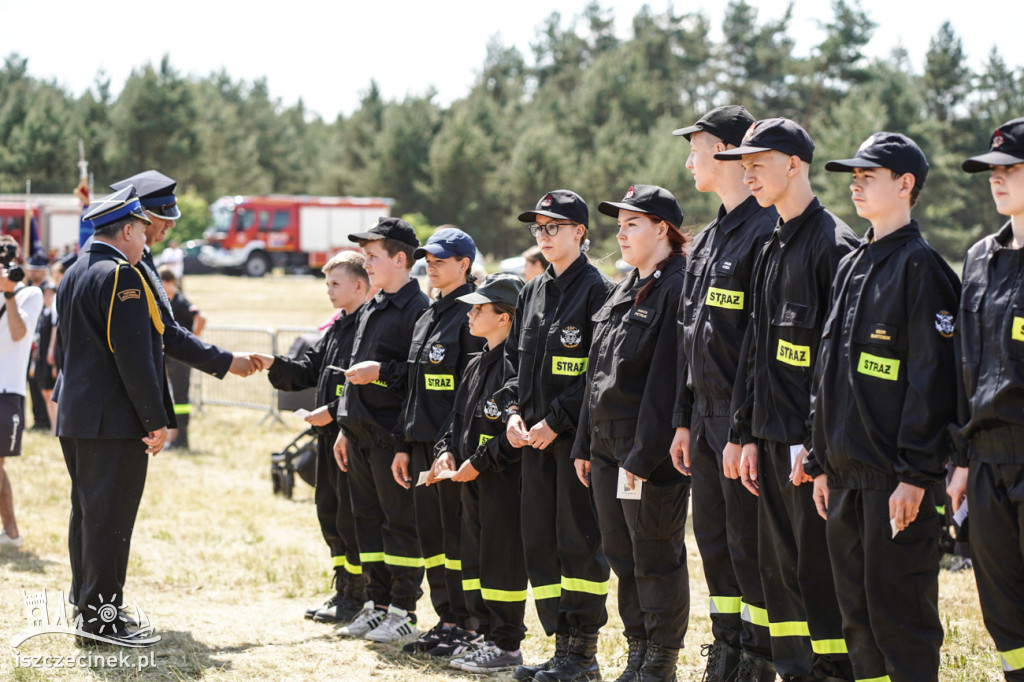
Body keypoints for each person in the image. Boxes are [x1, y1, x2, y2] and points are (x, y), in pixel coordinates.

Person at [811, 132, 959, 681]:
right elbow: (828, 372)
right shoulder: (854, 264)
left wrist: (917, 474)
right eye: (853, 176)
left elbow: (933, 383)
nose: (855, 184)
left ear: (905, 184)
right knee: (859, 622)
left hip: (895, 483)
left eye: (867, 175)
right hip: (846, 478)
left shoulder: (923, 270)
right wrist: (821, 461)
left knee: (900, 619)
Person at [714, 118, 859, 682]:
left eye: (758, 163)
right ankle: (797, 671)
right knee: (780, 571)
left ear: (794, 164)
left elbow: (836, 365)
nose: (747, 173)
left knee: (819, 570)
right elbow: (755, 348)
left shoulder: (835, 246)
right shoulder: (770, 244)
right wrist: (744, 432)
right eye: (742, 164)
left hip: (811, 448)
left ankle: (832, 673)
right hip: (770, 441)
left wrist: (815, 448)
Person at [669, 106, 777, 682]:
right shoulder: (709, 238)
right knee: (712, 542)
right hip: (704, 419)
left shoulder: (766, 231)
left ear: (732, 151)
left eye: (699, 145)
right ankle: (728, 650)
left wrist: (747, 429)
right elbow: (693, 338)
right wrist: (684, 419)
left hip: (744, 424)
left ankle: (759, 660)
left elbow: (759, 345)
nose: (690, 158)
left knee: (749, 546)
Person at [572, 184, 690, 682]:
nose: (619, 233)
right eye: (618, 224)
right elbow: (594, 374)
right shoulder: (625, 286)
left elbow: (668, 381)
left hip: (647, 451)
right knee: (622, 555)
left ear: (662, 228)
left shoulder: (677, 286)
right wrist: (584, 443)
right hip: (605, 447)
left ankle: (660, 660)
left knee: (655, 555)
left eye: (632, 224)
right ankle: (638, 652)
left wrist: (641, 458)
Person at [497, 190, 613, 682]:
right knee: (540, 542)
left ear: (580, 233)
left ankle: (583, 654)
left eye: (554, 227)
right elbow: (511, 366)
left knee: (578, 544)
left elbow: (596, 374)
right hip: (532, 444)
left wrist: (556, 421)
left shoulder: (599, 291)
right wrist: (513, 412)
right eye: (538, 229)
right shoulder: (532, 291)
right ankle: (561, 646)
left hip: (574, 445)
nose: (544, 236)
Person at [54, 187, 173, 641]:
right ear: (126, 229)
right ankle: (101, 620)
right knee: (110, 520)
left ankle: (85, 602)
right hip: (112, 421)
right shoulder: (121, 275)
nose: (146, 240)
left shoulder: (74, 271)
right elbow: (132, 356)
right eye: (143, 230)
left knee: (87, 514)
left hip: (78, 415)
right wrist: (155, 418)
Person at [252, 251, 371, 624]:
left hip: (354, 437)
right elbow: (309, 370)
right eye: (326, 283)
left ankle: (360, 595)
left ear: (359, 284)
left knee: (353, 518)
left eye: (336, 284)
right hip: (326, 437)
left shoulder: (368, 326)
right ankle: (342, 589)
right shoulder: (338, 325)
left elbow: (371, 388)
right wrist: (273, 362)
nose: (329, 291)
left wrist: (334, 412)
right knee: (330, 513)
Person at [948, 117, 1024, 681]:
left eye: (1010, 169)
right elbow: (963, 369)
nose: (996, 180)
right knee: (1003, 610)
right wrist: (960, 459)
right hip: (988, 458)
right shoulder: (979, 259)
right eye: (991, 171)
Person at [333, 217, 430, 643]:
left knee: (399, 523)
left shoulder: (418, 310)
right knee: (366, 522)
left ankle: (403, 609)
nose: (366, 264)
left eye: (373, 257)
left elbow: (419, 376)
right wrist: (343, 425)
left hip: (392, 439)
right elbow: (354, 373)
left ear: (400, 259)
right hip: (358, 435)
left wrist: (381, 374)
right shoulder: (372, 304)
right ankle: (375, 603)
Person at [392, 227, 485, 657]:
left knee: (456, 539)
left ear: (464, 264)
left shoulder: (472, 314)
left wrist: (451, 446)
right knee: (431, 538)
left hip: (452, 448)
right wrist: (403, 445)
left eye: (441, 259)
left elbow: (471, 391)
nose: (430, 264)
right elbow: (414, 389)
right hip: (420, 445)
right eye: (427, 258)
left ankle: (468, 624)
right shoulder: (428, 315)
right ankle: (446, 618)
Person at [429, 273, 528, 674]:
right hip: (468, 478)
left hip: (501, 482)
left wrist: (479, 463)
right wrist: (445, 453)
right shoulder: (476, 362)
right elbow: (456, 422)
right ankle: (485, 635)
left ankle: (506, 645)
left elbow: (512, 435)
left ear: (504, 317)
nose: (469, 315)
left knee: (501, 560)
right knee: (475, 559)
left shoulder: (517, 366)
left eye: (478, 308)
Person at [107, 170, 257, 380]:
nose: (172, 223)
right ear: (142, 216)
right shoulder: (126, 264)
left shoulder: (144, 256)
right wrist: (226, 361)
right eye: (163, 215)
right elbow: (165, 332)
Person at [0, 235, 43, 548]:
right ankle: (11, 534)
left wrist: (9, 295)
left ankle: (12, 533)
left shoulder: (30, 293)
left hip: (7, 389)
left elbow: (18, 334)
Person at [158, 267, 205, 450]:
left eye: (162, 284)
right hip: (170, 355)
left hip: (181, 357)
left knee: (181, 398)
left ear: (170, 283)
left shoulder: (180, 300)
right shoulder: (167, 301)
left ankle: (182, 438)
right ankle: (174, 437)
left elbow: (200, 317)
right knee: (173, 396)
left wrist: (193, 339)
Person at [32, 282, 58, 433]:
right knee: (45, 392)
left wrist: (51, 351)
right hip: (40, 357)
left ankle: (56, 426)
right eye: (45, 293)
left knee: (52, 392)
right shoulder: (42, 313)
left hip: (50, 356)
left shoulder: (55, 312)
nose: (47, 296)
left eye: (50, 293)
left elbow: (55, 332)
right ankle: (52, 423)